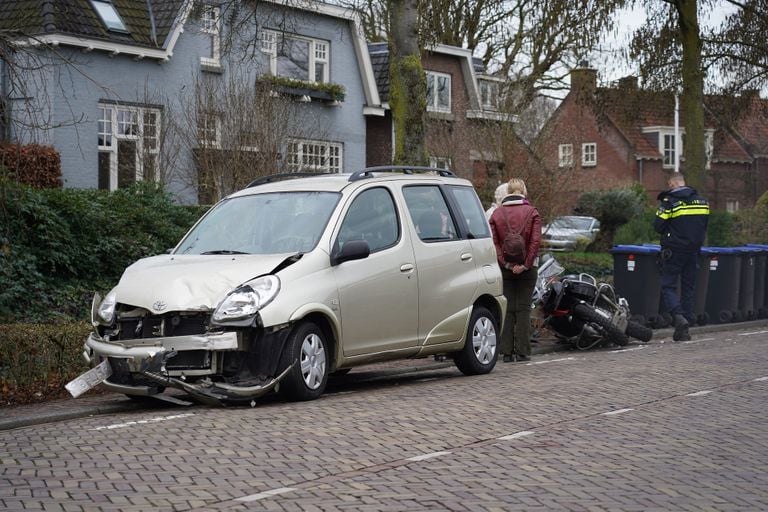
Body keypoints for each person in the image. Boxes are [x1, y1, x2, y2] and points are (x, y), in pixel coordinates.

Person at [489, 178, 541, 362]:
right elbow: (535, 242)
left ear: (508, 192)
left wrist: (506, 264)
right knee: (524, 308)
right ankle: (522, 350)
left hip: (504, 268)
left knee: (508, 308)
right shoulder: (532, 212)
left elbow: (494, 244)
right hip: (528, 268)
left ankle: (506, 352)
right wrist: (526, 264)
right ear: (524, 192)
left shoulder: (496, 214)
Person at [653, 172, 710, 342]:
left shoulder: (670, 202)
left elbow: (658, 226)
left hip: (674, 250)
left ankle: (679, 318)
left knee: (668, 286)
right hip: (694, 250)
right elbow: (704, 226)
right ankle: (685, 329)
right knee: (688, 287)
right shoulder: (703, 202)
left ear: (672, 184)